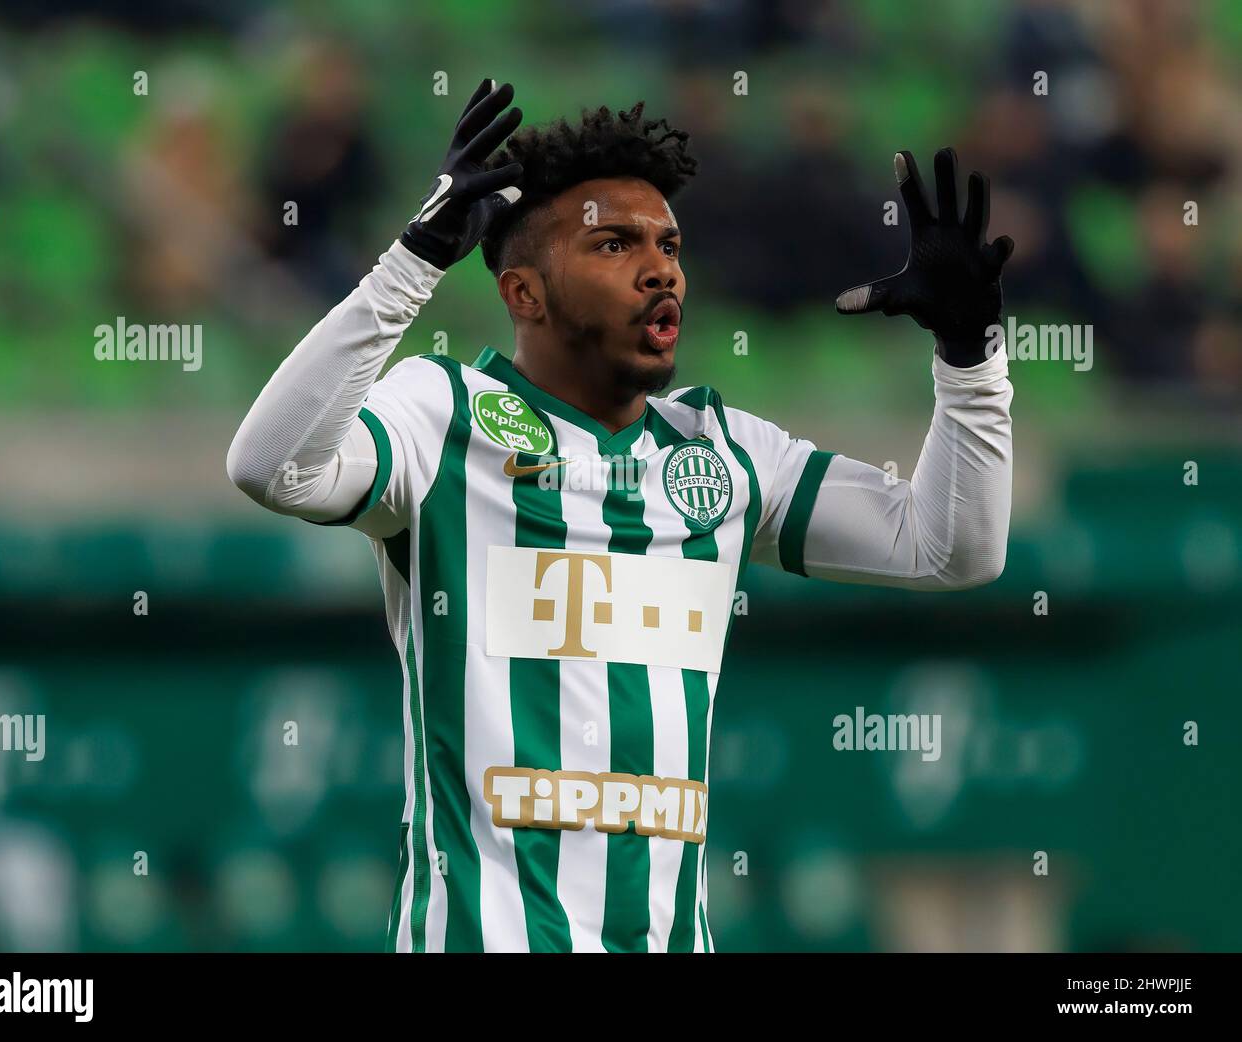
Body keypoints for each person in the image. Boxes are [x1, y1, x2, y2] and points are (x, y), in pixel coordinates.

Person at [226, 79, 1015, 953]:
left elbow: (951, 549)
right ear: (523, 293)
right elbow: (272, 467)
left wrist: (971, 357)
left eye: (668, 244)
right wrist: (410, 265)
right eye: (613, 243)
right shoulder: (441, 413)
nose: (660, 267)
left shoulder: (723, 451)